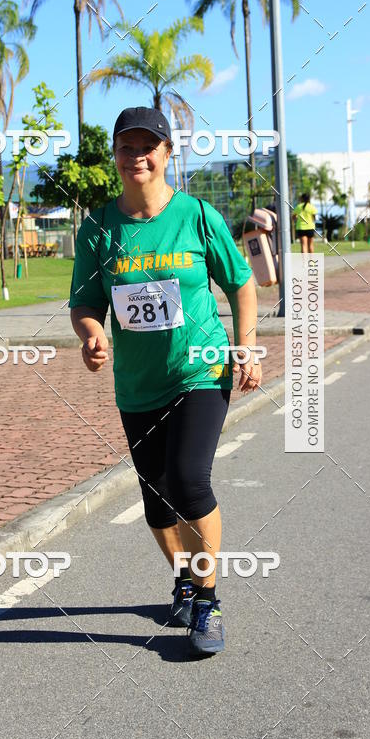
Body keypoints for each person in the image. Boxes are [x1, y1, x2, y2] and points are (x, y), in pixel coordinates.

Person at [69, 107, 260, 656]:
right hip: (137, 382)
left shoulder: (197, 215)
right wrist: (91, 335)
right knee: (155, 497)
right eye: (126, 147)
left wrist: (246, 346)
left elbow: (241, 284)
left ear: (168, 153)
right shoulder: (99, 227)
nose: (137, 157)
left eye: (148, 147)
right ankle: (184, 580)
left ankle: (207, 601)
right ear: (115, 156)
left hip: (201, 369)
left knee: (187, 480)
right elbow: (85, 302)